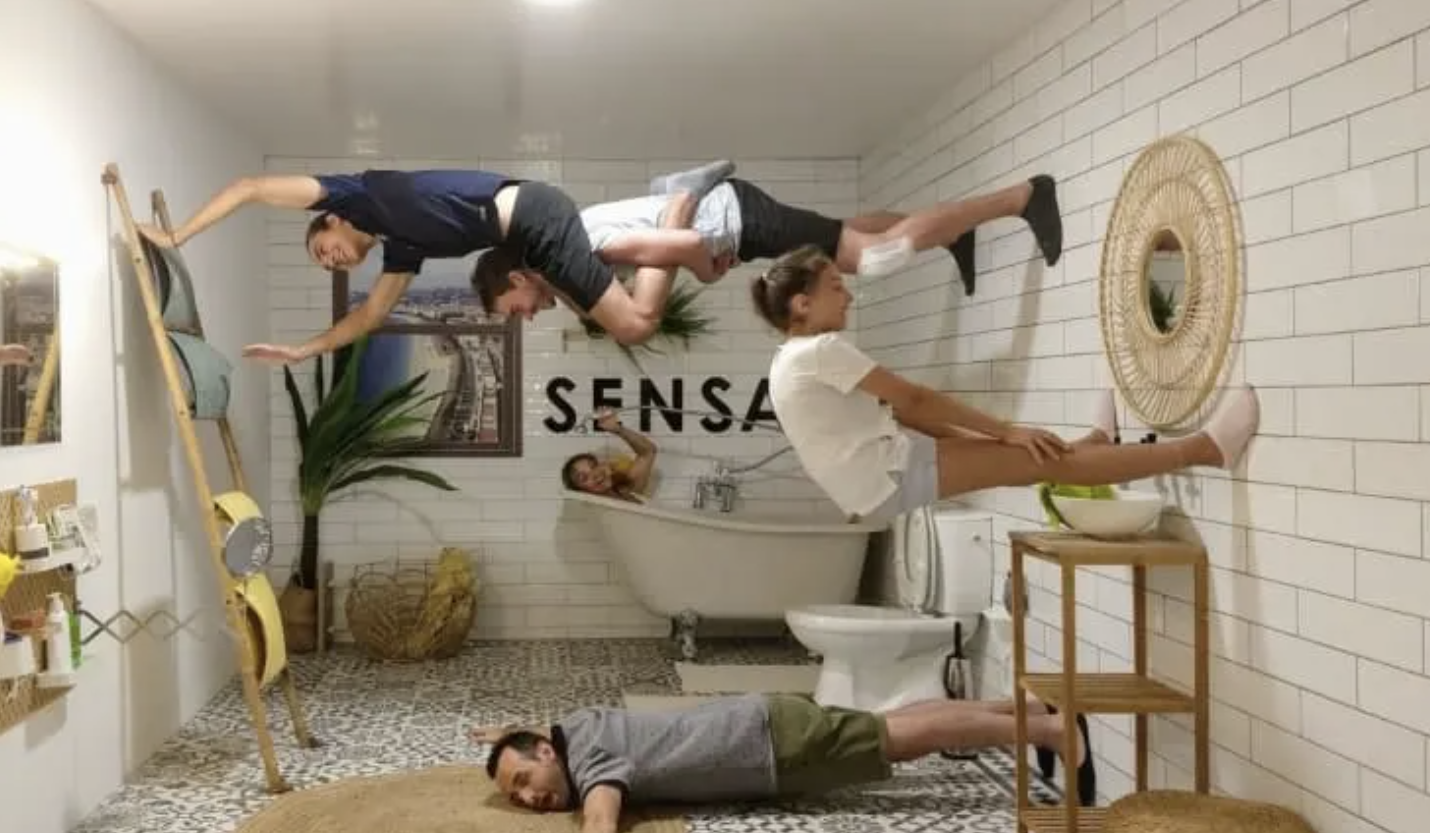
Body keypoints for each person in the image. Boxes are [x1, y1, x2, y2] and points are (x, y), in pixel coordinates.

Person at [471, 690, 1095, 833]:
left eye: (525, 780)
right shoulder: (575, 726)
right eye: (516, 796)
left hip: (772, 744)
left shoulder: (592, 759)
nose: (529, 797)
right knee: (890, 724)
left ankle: (1051, 730)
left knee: (903, 739)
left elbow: (602, 817)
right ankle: (1026, 711)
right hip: (764, 719)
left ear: (547, 751)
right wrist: (505, 738)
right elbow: (539, 735)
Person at [750, 245, 1261, 524]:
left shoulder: (787, 360)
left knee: (1033, 457)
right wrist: (1007, 430)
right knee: (1045, 462)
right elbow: (914, 398)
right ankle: (1206, 450)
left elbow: (904, 411)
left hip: (877, 480)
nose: (848, 298)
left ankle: (1095, 445)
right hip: (887, 475)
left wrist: (994, 439)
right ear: (802, 303)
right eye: (836, 287)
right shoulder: (820, 350)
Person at [139, 163, 730, 361]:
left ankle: (675, 201)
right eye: (329, 267)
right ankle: (673, 221)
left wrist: (177, 234)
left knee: (633, 326)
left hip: (533, 215)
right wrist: (303, 351)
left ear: (331, 220)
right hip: (529, 235)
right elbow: (370, 315)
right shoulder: (403, 249)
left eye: (322, 249)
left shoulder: (353, 194)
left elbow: (251, 187)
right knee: (593, 310)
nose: (332, 260)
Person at [471, 170, 1067, 325]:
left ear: (517, 279)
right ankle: (951, 234)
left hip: (737, 219)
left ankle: (1022, 198)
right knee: (846, 234)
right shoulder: (569, 248)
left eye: (513, 311)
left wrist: (705, 272)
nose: (526, 318)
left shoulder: (581, 246)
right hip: (737, 216)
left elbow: (686, 239)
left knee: (873, 257)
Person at [560, 409, 658, 501]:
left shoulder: (628, 493)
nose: (595, 474)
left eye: (594, 466)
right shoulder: (585, 511)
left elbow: (648, 451)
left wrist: (618, 429)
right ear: (580, 492)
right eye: (584, 478)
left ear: (606, 466)